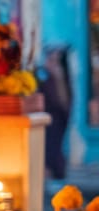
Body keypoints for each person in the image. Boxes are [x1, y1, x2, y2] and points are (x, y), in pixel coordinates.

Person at [39, 46, 72, 180]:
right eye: (51, 60)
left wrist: (59, 79)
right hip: (46, 126)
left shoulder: (62, 79)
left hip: (57, 125)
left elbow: (65, 103)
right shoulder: (42, 78)